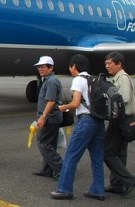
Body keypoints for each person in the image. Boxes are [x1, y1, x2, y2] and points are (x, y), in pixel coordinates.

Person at [51, 54, 105, 201]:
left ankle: (64, 189)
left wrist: (63, 107)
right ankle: (98, 190)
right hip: (99, 121)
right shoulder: (95, 79)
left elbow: (75, 103)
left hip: (86, 121)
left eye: (70, 66)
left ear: (74, 66)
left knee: (71, 156)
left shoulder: (78, 80)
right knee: (97, 158)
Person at [103, 52, 135, 197]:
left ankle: (129, 181)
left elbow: (124, 99)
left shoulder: (122, 78)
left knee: (106, 152)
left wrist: (107, 106)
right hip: (125, 119)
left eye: (110, 63)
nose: (107, 66)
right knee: (119, 152)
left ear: (119, 64)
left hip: (120, 120)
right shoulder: (120, 78)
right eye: (106, 64)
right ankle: (117, 184)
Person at [32, 56, 63, 180]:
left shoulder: (51, 81)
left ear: (51, 68)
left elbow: (51, 101)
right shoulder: (48, 80)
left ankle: (62, 168)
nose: (40, 69)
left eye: (43, 66)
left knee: (43, 142)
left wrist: (43, 117)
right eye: (39, 67)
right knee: (50, 143)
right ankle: (47, 169)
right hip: (51, 117)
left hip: (50, 117)